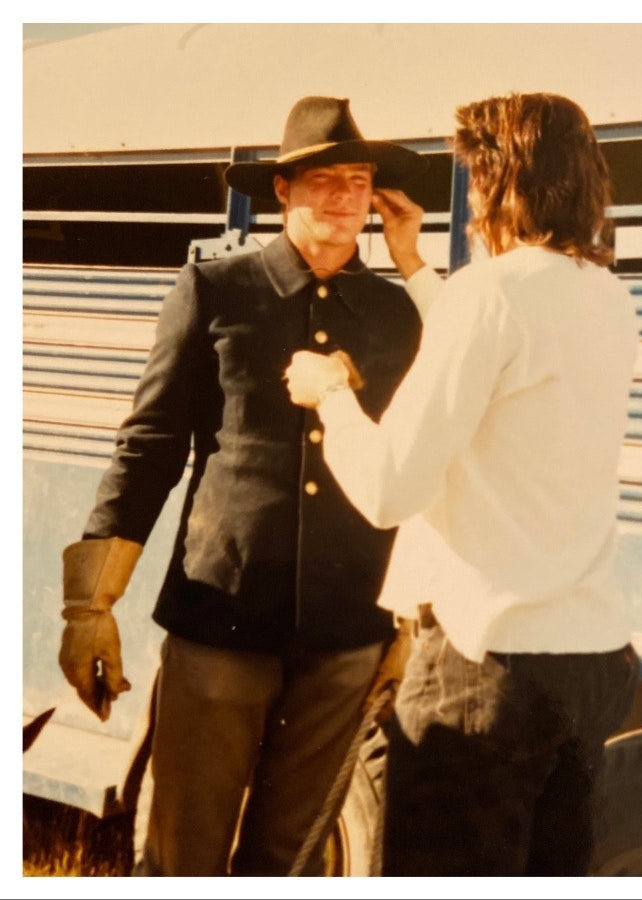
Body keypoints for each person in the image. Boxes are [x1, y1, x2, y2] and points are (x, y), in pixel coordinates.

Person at [57, 96, 426, 875]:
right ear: (282, 193)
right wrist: (91, 604)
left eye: (357, 180)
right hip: (222, 617)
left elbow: (424, 459)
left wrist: (409, 614)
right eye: (321, 179)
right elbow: (150, 444)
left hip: (345, 631)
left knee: (289, 859)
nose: (342, 197)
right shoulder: (216, 291)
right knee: (184, 852)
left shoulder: (399, 313)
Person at [283, 92, 640, 876]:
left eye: (477, 174)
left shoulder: (492, 292)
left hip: (488, 671)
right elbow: (502, 362)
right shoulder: (607, 298)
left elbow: (387, 489)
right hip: (589, 662)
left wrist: (329, 396)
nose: (472, 196)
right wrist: (413, 263)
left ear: (501, 179)